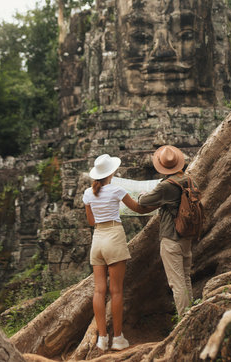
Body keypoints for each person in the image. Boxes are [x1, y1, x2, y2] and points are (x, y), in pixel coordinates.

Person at [83, 154, 152, 352]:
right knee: (116, 291)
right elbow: (138, 209)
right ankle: (118, 338)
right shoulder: (117, 190)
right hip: (114, 236)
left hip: (98, 239)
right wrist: (153, 201)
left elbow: (91, 222)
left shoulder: (88, 193)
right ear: (112, 172)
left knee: (98, 291)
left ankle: (102, 339)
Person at [138, 145, 194, 317]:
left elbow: (144, 201)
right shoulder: (189, 179)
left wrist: (141, 194)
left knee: (176, 284)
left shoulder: (166, 186)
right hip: (186, 237)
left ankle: (184, 320)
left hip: (171, 238)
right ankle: (192, 314)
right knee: (185, 279)